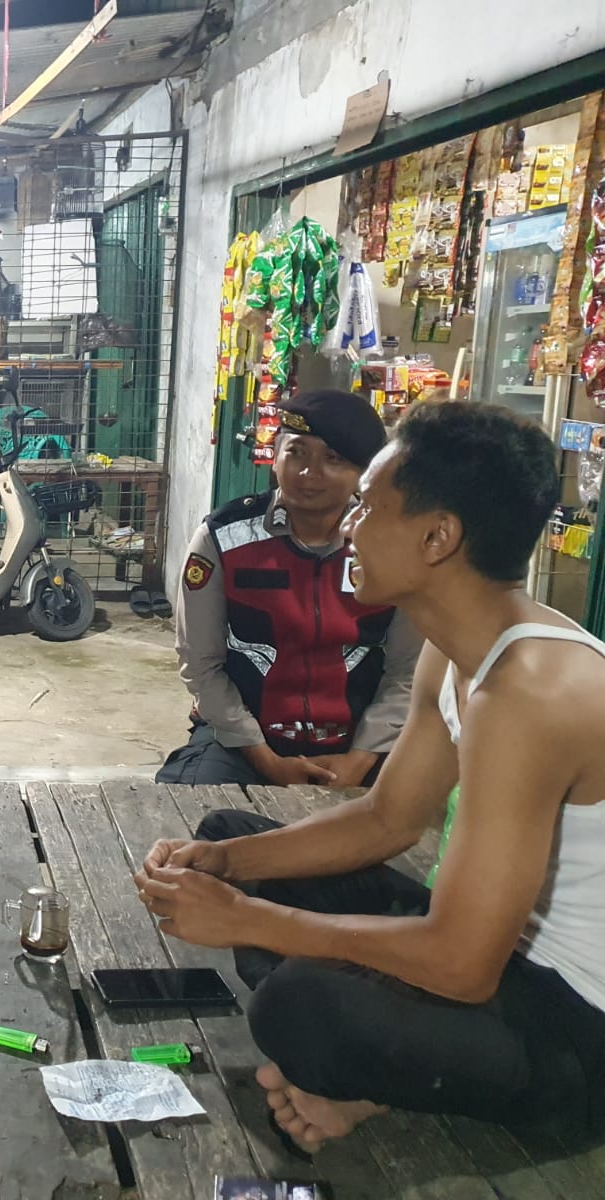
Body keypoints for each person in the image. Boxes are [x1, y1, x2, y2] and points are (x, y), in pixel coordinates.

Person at [136, 402, 605, 1153]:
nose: (349, 527)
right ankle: (362, 1076)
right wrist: (226, 867)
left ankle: (361, 1085)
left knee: (297, 1004)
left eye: (368, 507)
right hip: (496, 955)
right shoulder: (458, 647)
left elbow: (462, 964)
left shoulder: (529, 692)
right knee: (231, 837)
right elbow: (388, 820)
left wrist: (247, 921)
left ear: (437, 537)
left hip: (573, 1028)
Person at [158, 389, 423, 789]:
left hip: (363, 743)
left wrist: (360, 758)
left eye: (333, 459)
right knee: (191, 807)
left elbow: (408, 672)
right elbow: (200, 664)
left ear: (364, 472)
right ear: (275, 456)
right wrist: (266, 760)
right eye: (296, 453)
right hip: (241, 743)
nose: (309, 473)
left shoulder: (394, 545)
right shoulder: (222, 538)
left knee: (419, 811)